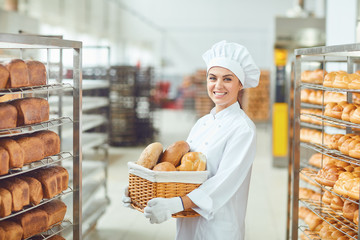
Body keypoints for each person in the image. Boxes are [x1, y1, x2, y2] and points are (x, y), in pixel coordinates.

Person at [122, 40, 260, 240]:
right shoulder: (201, 123)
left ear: (240, 84)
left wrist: (175, 204)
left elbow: (224, 183)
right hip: (188, 224)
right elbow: (178, 170)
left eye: (227, 79)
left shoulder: (243, 129)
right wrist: (142, 190)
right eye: (212, 78)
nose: (218, 85)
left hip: (219, 228)